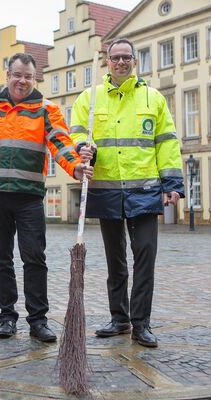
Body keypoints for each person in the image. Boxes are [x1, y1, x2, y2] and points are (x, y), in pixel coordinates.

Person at [0, 53, 93, 342]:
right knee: (1, 260)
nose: (22, 81)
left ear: (35, 79)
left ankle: (38, 320)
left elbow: (61, 143)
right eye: (17, 75)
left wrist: (76, 167)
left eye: (28, 76)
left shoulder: (46, 110)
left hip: (29, 197)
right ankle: (6, 317)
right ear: (7, 76)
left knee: (34, 258)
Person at [70, 38, 184, 348]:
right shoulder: (89, 99)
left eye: (126, 57)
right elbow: (77, 131)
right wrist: (83, 149)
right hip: (107, 190)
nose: (121, 62)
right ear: (107, 61)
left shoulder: (153, 98)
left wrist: (172, 185)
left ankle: (141, 323)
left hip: (145, 191)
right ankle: (119, 318)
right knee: (115, 259)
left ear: (135, 61)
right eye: (115, 57)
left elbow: (167, 142)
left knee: (145, 257)